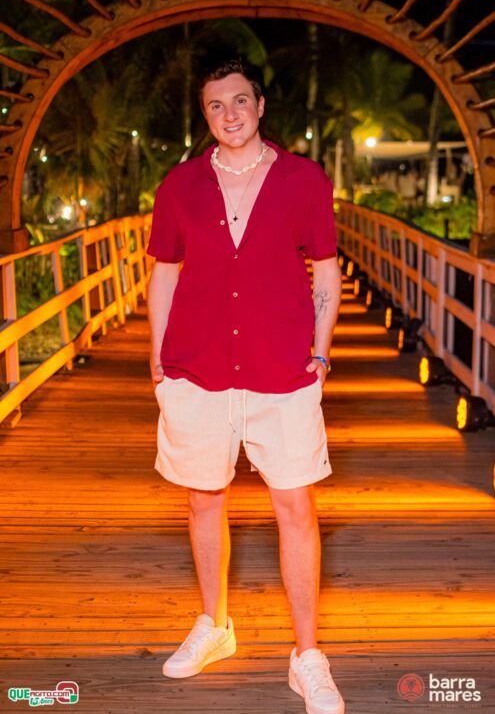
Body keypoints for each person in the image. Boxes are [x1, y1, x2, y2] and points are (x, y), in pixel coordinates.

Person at [146, 58, 344, 714]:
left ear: (259, 105)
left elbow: (325, 269)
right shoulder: (180, 185)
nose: (228, 114)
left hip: (281, 369)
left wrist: (320, 351)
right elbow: (164, 272)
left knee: (296, 507)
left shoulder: (302, 179)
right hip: (197, 368)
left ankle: (306, 656)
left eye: (239, 101)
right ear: (205, 116)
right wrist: (157, 358)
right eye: (215, 105)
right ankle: (215, 625)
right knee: (203, 500)